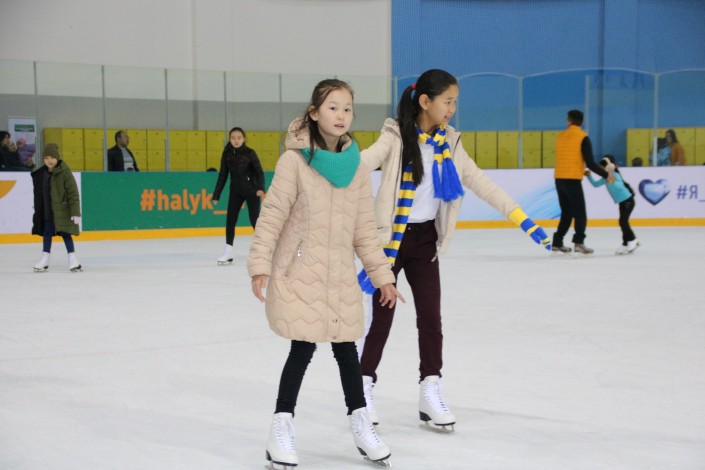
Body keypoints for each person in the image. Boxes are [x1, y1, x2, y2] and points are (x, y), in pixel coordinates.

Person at [358, 69, 551, 432]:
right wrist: (329, 164)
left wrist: (522, 218)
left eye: (455, 102)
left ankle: (430, 389)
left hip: (424, 241)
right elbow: (365, 161)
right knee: (381, 318)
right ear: (425, 101)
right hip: (389, 242)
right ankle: (362, 389)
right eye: (447, 101)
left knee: (431, 319)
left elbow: (482, 183)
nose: (452, 109)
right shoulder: (395, 136)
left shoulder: (451, 144)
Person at [247, 79, 404, 468]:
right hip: (301, 273)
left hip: (340, 277)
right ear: (314, 113)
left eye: (347, 108)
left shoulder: (357, 168)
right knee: (301, 348)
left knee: (347, 349)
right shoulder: (294, 162)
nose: (341, 115)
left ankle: (361, 425)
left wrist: (383, 276)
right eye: (333, 107)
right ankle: (281, 428)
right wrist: (260, 264)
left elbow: (364, 231)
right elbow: (272, 216)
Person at [552, 109, 613, 254]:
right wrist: (606, 175)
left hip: (559, 179)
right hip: (572, 180)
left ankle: (557, 242)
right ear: (581, 122)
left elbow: (568, 157)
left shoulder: (560, 136)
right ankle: (579, 242)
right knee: (580, 213)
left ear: (569, 121)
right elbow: (590, 163)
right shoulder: (583, 137)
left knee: (566, 213)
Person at [212, 127, 265, 265]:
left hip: (251, 190)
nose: (236, 141)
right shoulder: (227, 154)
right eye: (233, 138)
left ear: (244, 139)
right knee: (230, 220)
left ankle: (264, 249)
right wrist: (216, 194)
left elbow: (259, 171)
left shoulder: (250, 153)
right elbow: (223, 175)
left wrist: (260, 188)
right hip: (235, 191)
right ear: (230, 139)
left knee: (255, 220)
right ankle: (228, 252)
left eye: (239, 138)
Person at [31, 144, 82, 272]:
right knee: (47, 234)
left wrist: (75, 212)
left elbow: (73, 193)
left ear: (57, 158)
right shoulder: (41, 174)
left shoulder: (64, 172)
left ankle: (73, 259)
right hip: (47, 212)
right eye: (46, 158)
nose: (49, 161)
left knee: (65, 234)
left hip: (62, 212)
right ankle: (45, 259)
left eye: (52, 157)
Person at [585, 155, 639, 255]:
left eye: (602, 167)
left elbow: (619, 187)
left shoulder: (616, 175)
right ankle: (625, 244)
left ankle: (633, 240)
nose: (600, 169)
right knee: (623, 222)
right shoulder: (605, 178)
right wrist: (589, 176)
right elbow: (595, 185)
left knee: (623, 222)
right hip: (622, 202)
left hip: (628, 201)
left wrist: (611, 180)